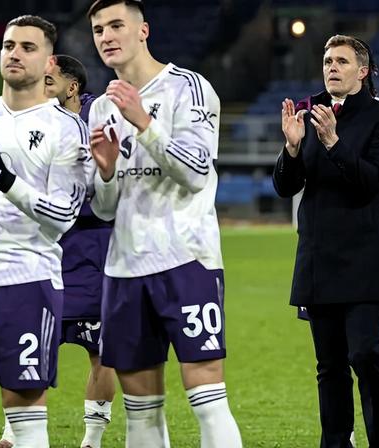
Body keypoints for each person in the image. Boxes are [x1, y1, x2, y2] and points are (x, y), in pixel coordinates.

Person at [85, 1, 242, 446]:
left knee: (208, 400)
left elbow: (195, 173)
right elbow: (104, 209)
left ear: (143, 31)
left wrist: (143, 122)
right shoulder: (100, 109)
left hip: (186, 260)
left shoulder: (188, 88)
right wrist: (108, 171)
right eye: (98, 29)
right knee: (140, 412)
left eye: (116, 25)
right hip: (124, 270)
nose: (106, 36)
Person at [0, 15, 87, 448]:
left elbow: (63, 216)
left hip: (23, 281)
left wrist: (4, 179)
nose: (15, 53)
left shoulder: (64, 127)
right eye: (9, 45)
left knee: (27, 419)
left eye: (28, 47)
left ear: (50, 62)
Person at [273, 34, 379, 447]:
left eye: (342, 61)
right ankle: (335, 442)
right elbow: (285, 187)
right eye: (328, 60)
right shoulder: (310, 113)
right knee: (328, 364)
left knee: (366, 355)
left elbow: (373, 183)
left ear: (362, 71)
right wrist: (292, 149)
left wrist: (333, 142)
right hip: (318, 255)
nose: (332, 67)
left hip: (365, 254)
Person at [0, 54, 116, 448]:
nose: (40, 87)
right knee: (29, 342)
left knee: (101, 350)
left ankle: (91, 440)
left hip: (95, 246)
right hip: (45, 246)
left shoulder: (102, 116)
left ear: (71, 86)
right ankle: (13, 434)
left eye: (48, 80)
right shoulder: (34, 120)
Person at [297, 146, 379, 448]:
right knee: (332, 354)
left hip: (370, 243)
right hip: (324, 247)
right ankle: (341, 435)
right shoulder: (313, 113)